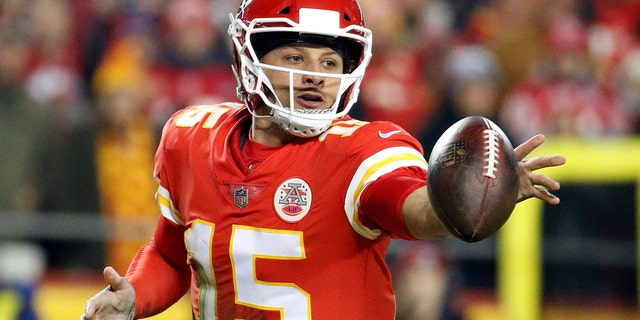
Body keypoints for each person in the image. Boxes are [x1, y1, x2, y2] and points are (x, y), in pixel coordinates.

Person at [81, 0, 566, 319]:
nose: (316, 76)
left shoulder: (362, 150)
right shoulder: (189, 137)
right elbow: (171, 254)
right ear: (249, 57)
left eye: (330, 62)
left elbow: (418, 211)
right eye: (295, 57)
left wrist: (476, 194)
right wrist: (134, 297)